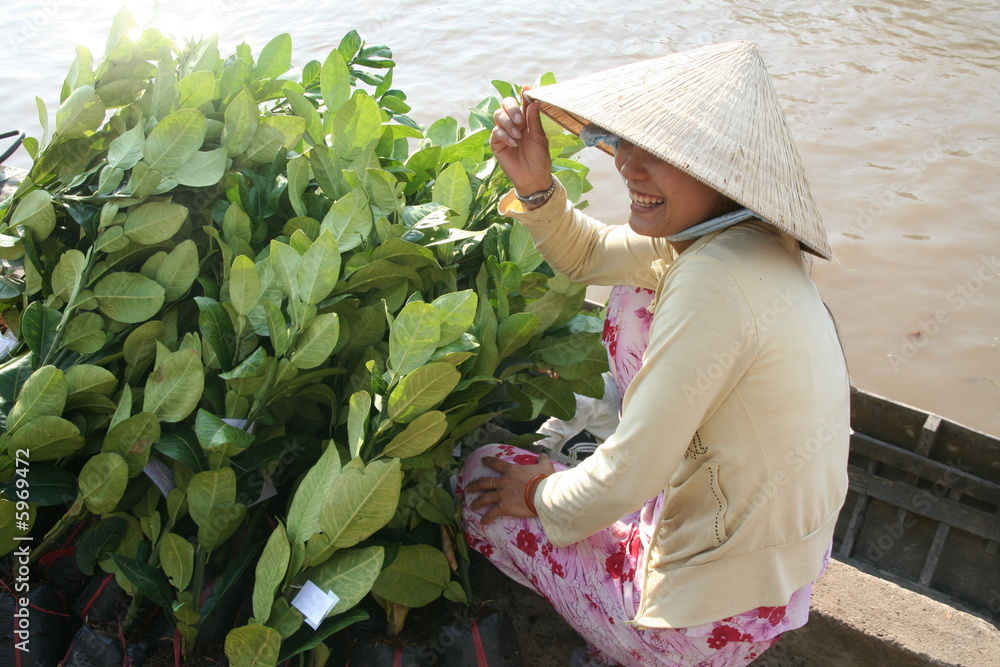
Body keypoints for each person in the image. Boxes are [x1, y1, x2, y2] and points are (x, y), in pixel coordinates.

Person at [458, 40, 851, 666]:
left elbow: (625, 474)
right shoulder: (745, 239)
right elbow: (586, 255)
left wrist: (536, 493)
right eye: (625, 143)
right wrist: (535, 187)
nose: (629, 167)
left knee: (480, 474)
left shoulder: (710, 281)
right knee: (635, 290)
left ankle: (625, 646)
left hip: (699, 621)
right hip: (777, 581)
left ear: (722, 170)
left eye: (662, 153)